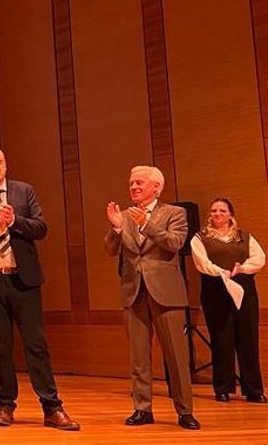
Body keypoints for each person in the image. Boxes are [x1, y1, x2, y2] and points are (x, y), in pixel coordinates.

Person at [0, 147, 79, 430]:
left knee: (36, 343)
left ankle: (51, 406)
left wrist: (15, 222)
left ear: (6, 165)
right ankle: (5, 405)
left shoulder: (24, 191)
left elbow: (41, 228)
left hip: (24, 279)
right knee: (0, 346)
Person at [104, 165, 199, 429]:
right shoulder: (124, 215)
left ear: (157, 187)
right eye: (131, 183)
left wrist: (146, 224)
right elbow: (111, 250)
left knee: (177, 357)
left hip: (166, 293)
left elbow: (175, 243)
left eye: (140, 183)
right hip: (134, 292)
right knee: (138, 357)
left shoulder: (174, 213)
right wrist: (116, 228)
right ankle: (142, 408)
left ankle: (185, 410)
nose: (134, 187)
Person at [190, 197, 266, 403]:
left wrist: (241, 269)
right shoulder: (200, 237)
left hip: (244, 290)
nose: (217, 214)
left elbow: (259, 258)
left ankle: (254, 390)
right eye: (214, 211)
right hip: (216, 291)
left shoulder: (244, 237)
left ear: (231, 214)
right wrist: (220, 271)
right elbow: (201, 262)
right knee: (221, 339)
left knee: (248, 339)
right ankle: (222, 388)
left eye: (222, 211)